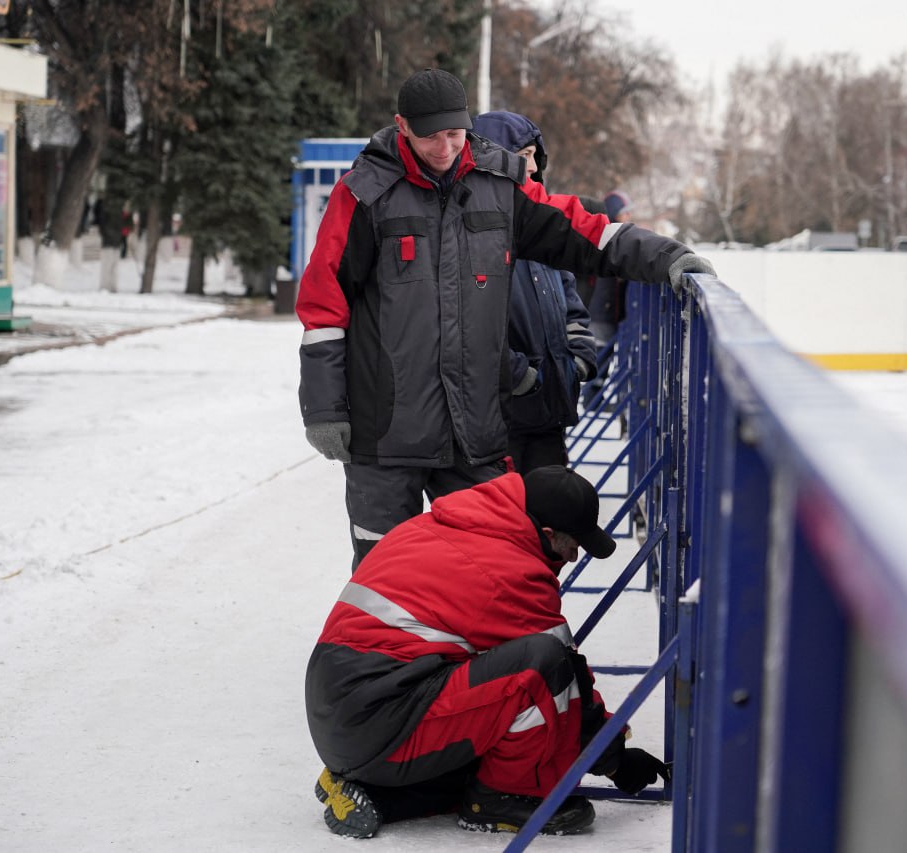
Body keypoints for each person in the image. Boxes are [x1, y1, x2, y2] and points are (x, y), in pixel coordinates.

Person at [296, 67, 715, 568]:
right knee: (388, 574)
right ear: (401, 126)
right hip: (384, 432)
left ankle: (476, 651)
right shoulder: (364, 194)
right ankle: (390, 651)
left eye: (454, 134)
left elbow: (583, 232)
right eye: (430, 137)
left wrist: (664, 256)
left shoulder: (500, 187)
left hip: (473, 431)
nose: (445, 148)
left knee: (492, 565)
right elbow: (324, 303)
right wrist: (323, 408)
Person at [305, 465, 671, 838]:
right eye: (573, 544)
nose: (574, 556)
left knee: (491, 739)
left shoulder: (450, 524)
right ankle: (500, 798)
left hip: (345, 708)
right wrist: (615, 761)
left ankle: (372, 790)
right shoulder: (511, 572)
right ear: (546, 534)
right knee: (540, 666)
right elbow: (564, 670)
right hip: (376, 718)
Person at [470, 110, 598, 474]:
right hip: (498, 421)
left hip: (549, 411)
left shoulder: (544, 224)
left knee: (549, 519)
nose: (529, 166)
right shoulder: (472, 229)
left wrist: (579, 358)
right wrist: (520, 376)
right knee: (503, 522)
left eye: (532, 155)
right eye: (520, 155)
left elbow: (571, 303)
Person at [584, 190, 634, 407]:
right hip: (601, 311)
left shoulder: (612, 237)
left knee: (602, 356)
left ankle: (593, 398)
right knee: (600, 356)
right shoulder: (608, 239)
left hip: (604, 310)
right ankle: (592, 400)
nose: (628, 217)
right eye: (624, 213)